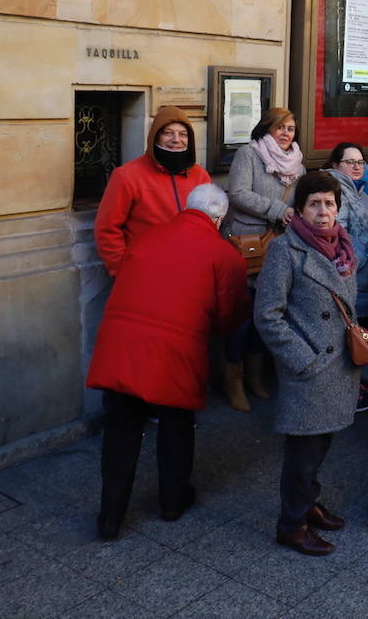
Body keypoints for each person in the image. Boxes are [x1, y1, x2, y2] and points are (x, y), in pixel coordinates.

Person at [86, 184, 248, 540]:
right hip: (176, 352)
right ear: (219, 218)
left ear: (187, 208)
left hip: (122, 345)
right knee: (176, 425)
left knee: (121, 429)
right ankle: (172, 502)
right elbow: (228, 318)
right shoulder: (224, 255)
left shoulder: (148, 237)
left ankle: (110, 518)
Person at [255, 173, 362, 557]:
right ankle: (292, 524)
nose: (322, 212)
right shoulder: (286, 250)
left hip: (339, 367)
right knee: (302, 453)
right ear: (299, 208)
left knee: (321, 445)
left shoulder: (344, 247)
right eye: (314, 204)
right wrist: (303, 359)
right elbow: (267, 314)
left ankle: (309, 504)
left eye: (329, 204)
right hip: (311, 367)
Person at [222, 107, 305, 409]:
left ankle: (255, 376)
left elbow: (300, 200)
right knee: (242, 318)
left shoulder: (297, 162)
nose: (286, 134)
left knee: (266, 315)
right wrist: (277, 210)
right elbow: (238, 194)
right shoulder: (249, 154)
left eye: (291, 128)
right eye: (280, 127)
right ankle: (233, 380)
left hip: (279, 247)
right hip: (248, 246)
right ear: (266, 129)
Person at [94, 106, 212, 277]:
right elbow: (107, 229)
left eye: (183, 134)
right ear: (155, 136)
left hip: (192, 268)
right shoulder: (127, 175)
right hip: (145, 272)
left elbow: (211, 222)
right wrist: (123, 270)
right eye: (168, 133)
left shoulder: (199, 175)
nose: (176, 139)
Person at [323, 144, 368, 322]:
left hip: (365, 281)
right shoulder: (336, 192)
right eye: (350, 162)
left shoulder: (360, 192)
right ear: (335, 165)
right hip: (352, 280)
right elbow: (335, 236)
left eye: (361, 162)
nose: (357, 167)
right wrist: (364, 258)